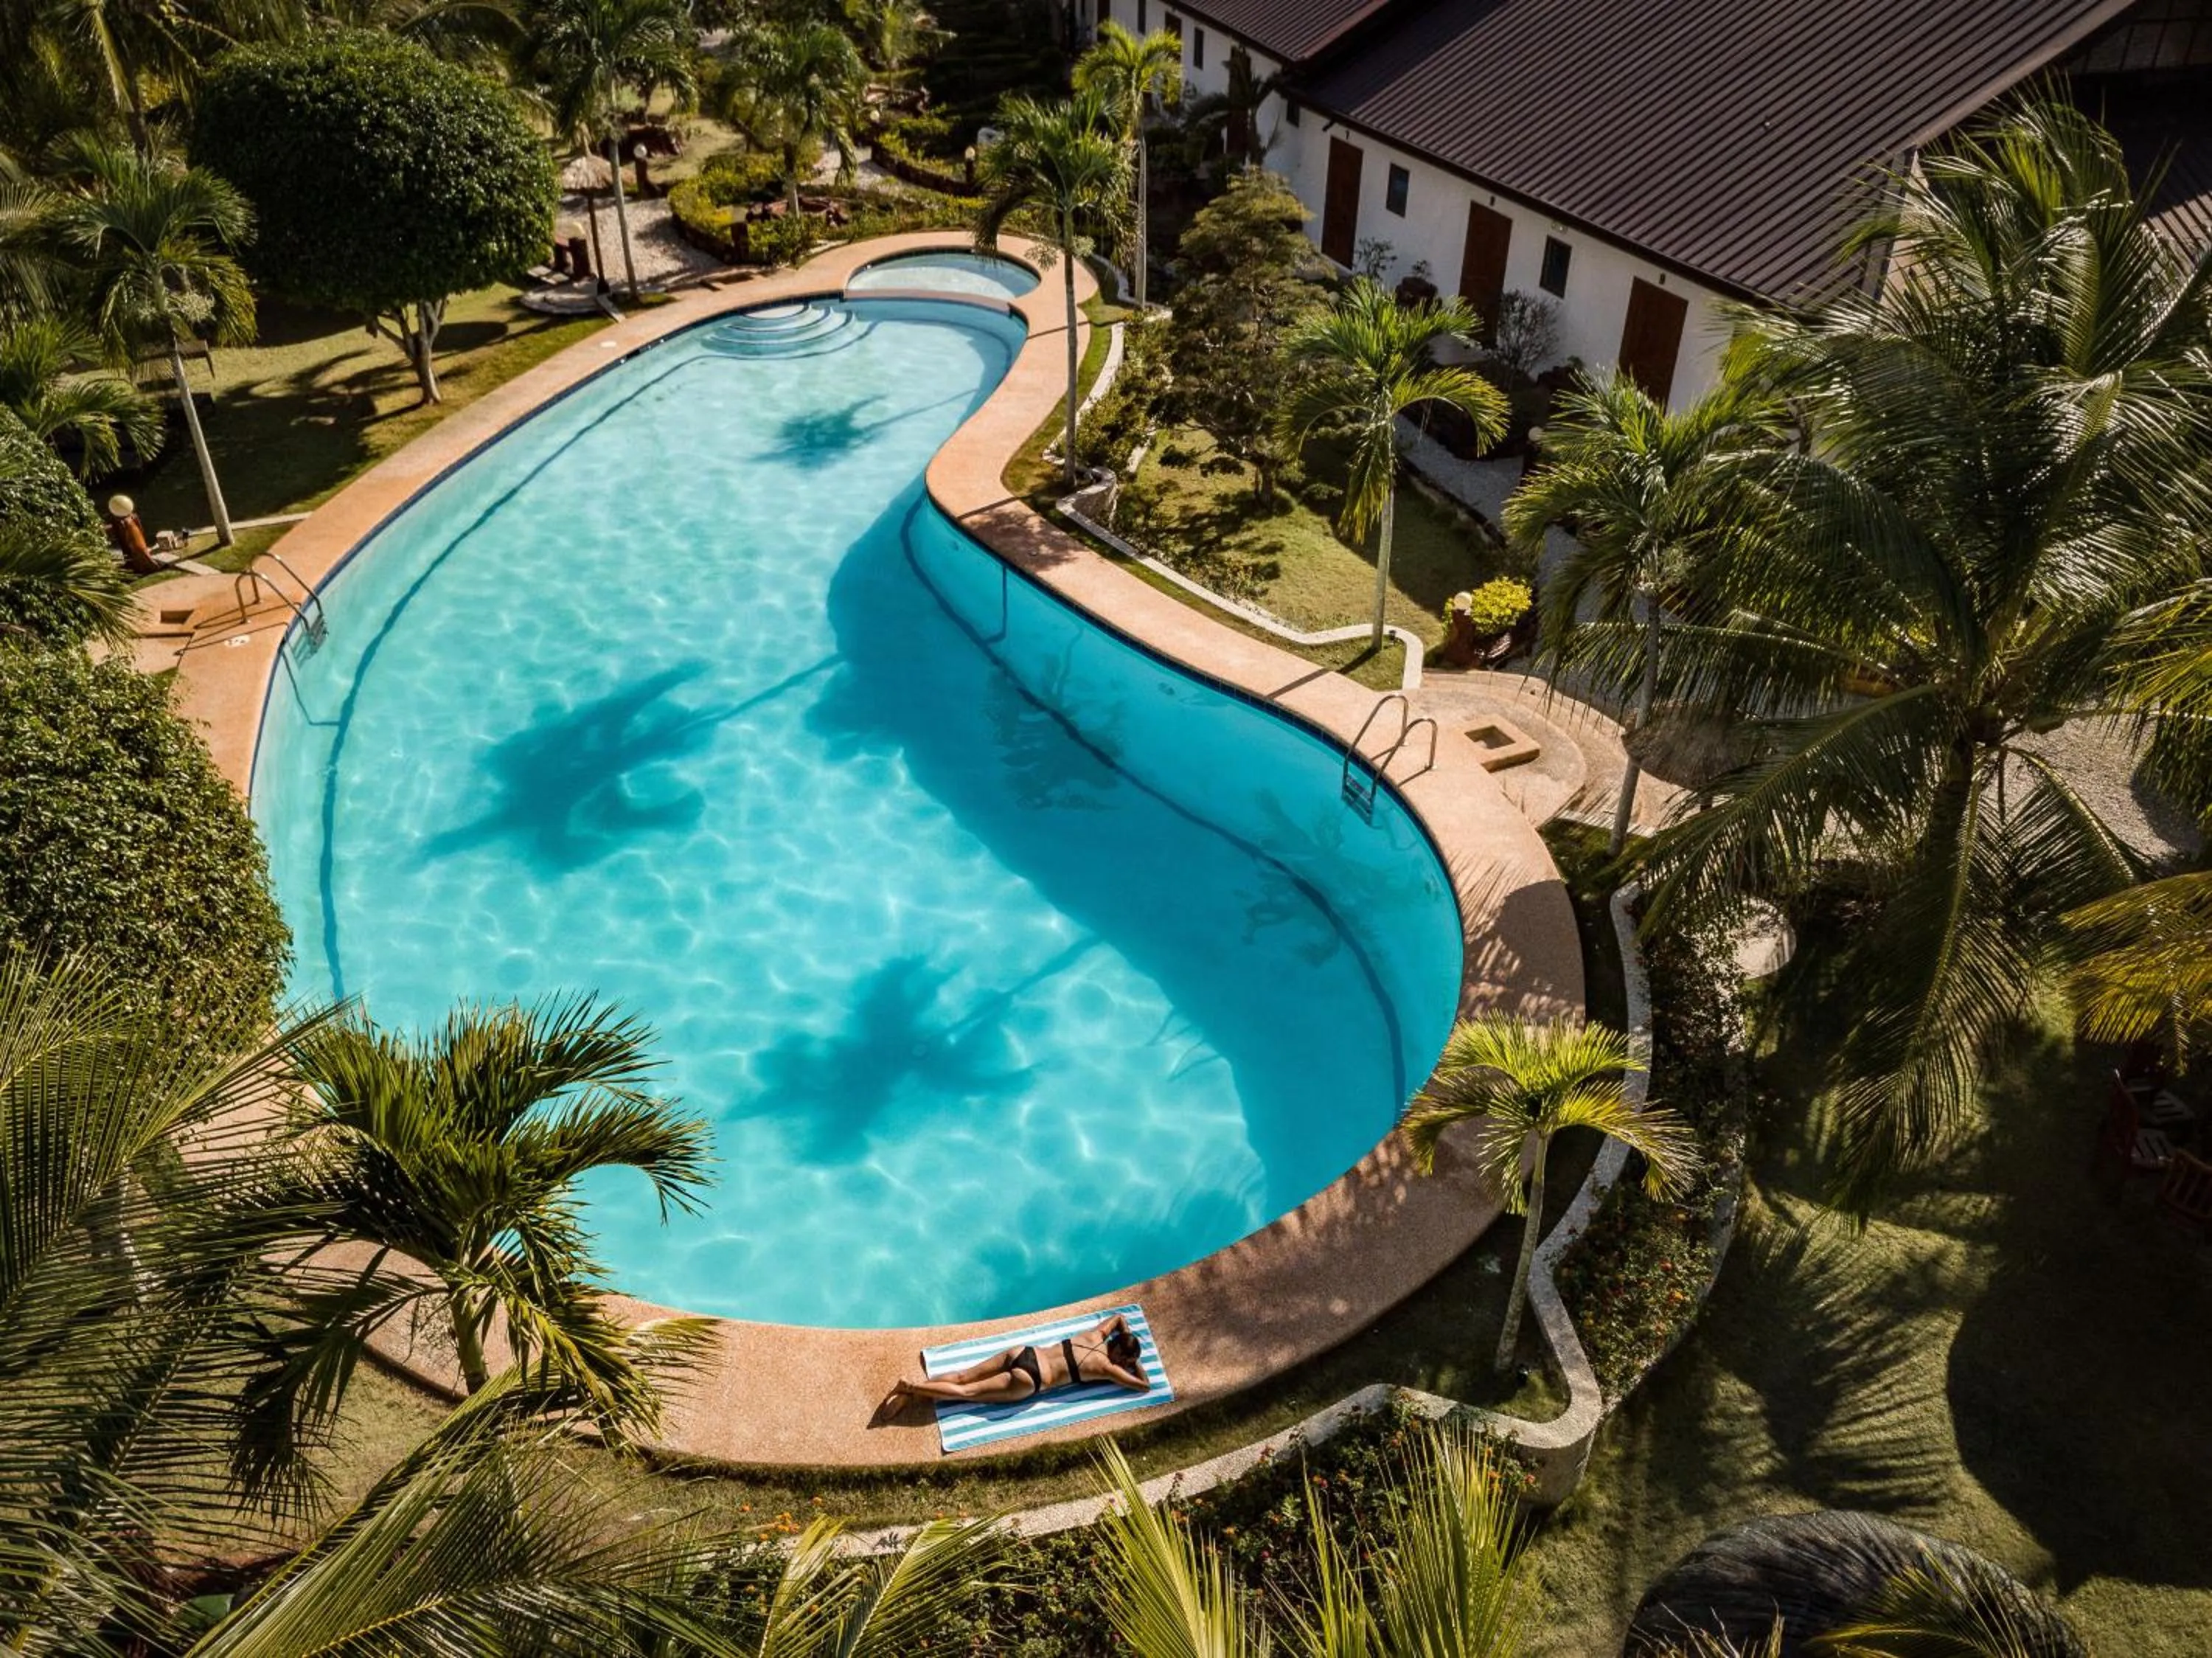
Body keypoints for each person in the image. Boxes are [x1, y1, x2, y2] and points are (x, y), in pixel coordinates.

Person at [886, 1314, 1150, 1407]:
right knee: (966, 1392)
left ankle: (915, 1391)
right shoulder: (1106, 1368)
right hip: (1031, 1379)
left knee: (962, 1376)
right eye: (1126, 1361)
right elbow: (1143, 1386)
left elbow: (1117, 1318)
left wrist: (1126, 1336)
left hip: (1025, 1352)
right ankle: (909, 1388)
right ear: (1121, 1355)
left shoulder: (1095, 1335)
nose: (1125, 1366)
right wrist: (1133, 1363)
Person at [105, 495, 159, 576]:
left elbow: (138, 546)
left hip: (136, 552)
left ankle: (143, 567)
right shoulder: (128, 519)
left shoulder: (128, 522)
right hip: (133, 551)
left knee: (137, 550)